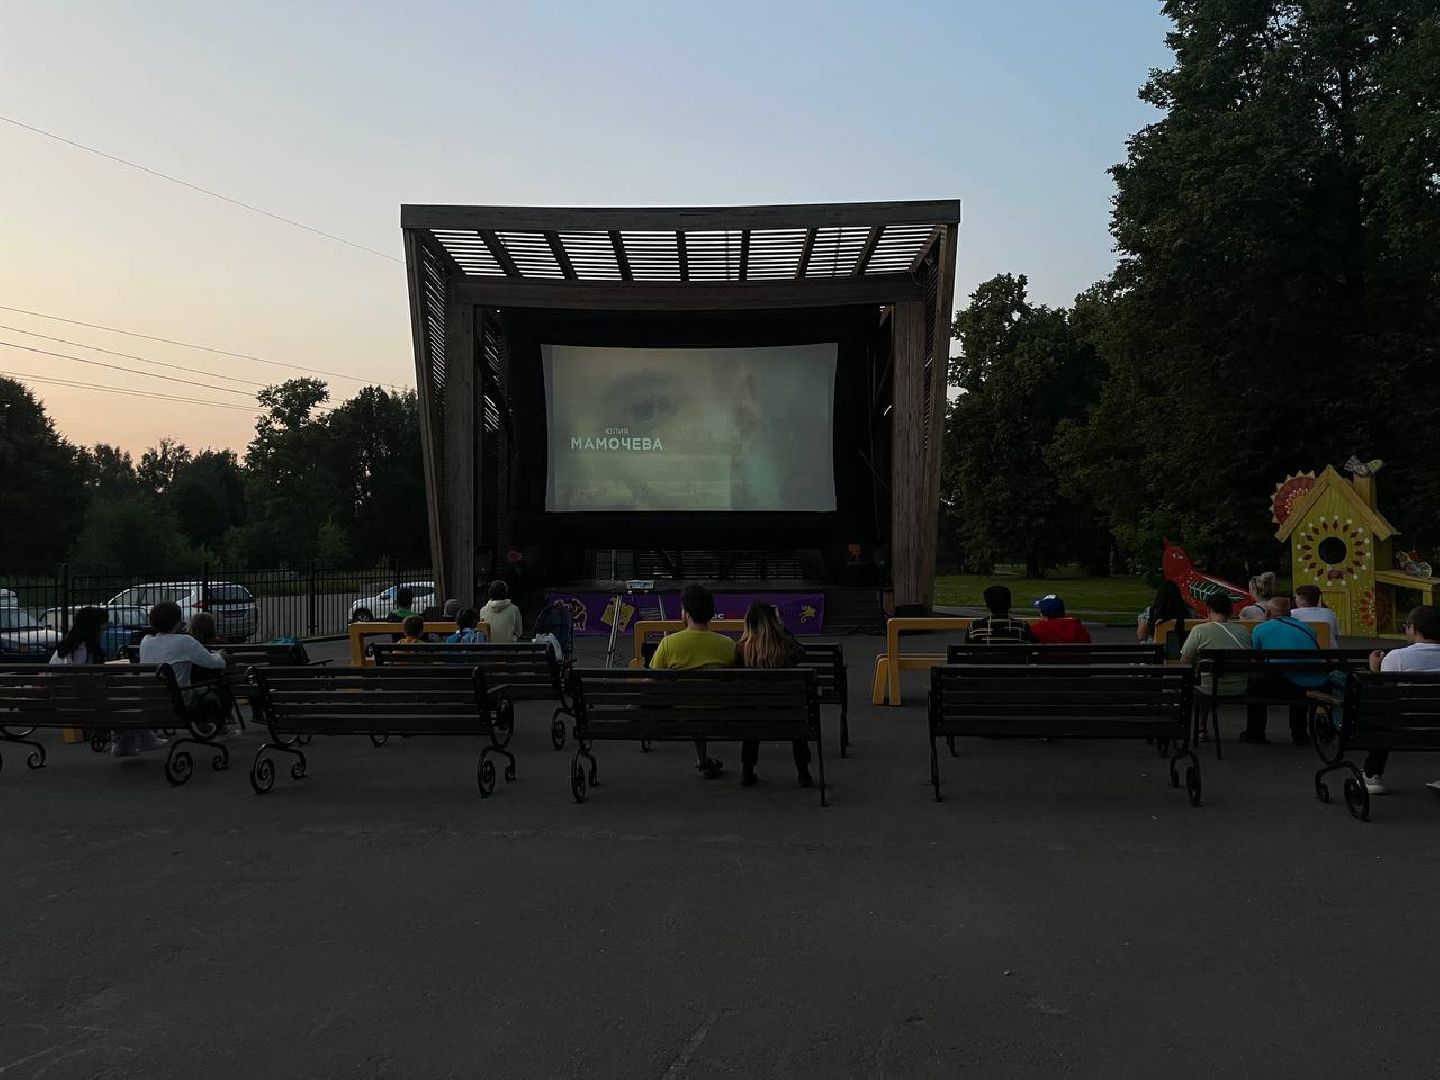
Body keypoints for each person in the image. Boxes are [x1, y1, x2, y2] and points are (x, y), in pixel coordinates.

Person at [649, 584, 735, 779]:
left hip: (681, 715)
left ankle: (703, 760)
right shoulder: (727, 644)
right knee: (702, 702)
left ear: (686, 613)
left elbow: (651, 680)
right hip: (720, 713)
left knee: (693, 704)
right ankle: (703, 760)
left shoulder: (669, 643)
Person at [1360, 605, 1440, 795]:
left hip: (1404, 724)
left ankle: (1372, 775)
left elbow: (1384, 696)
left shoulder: (1398, 656)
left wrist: (1374, 672)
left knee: (1382, 716)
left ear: (1413, 628)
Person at [734, 601, 814, 789]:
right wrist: (783, 626)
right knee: (797, 715)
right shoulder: (786, 647)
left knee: (752, 716)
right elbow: (802, 653)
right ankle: (803, 771)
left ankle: (747, 770)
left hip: (754, 717)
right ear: (773, 622)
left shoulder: (741, 650)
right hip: (787, 715)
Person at [136, 600, 229, 757]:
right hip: (179, 700)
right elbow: (214, 663)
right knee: (213, 691)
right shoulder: (184, 641)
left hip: (151, 700)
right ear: (178, 622)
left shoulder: (145, 642)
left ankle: (203, 725)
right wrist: (219, 655)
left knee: (195, 690)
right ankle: (219, 728)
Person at [1245, 597, 1322, 745]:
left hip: (1281, 686)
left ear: (1268, 613)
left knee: (1255, 681)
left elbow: (1255, 659)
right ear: (1289, 613)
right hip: (1308, 685)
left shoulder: (1261, 629)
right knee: (1298, 674)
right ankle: (1299, 733)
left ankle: (1255, 732)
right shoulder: (1309, 629)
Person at [1179, 593, 1252, 700]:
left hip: (1208, 688)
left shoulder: (1199, 630)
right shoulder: (1243, 630)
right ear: (1229, 610)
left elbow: (1185, 661)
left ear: (1208, 609)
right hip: (1239, 688)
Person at [964, 585, 1034, 644]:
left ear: (987, 605)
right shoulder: (1022, 627)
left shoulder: (974, 627)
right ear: (1009, 604)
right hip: (1014, 660)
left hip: (983, 660)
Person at [1137, 580, 1192, 644]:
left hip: (1154, 650)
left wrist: (1142, 621)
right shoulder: (1187, 612)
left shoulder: (1151, 612)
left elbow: (1142, 637)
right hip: (1180, 650)